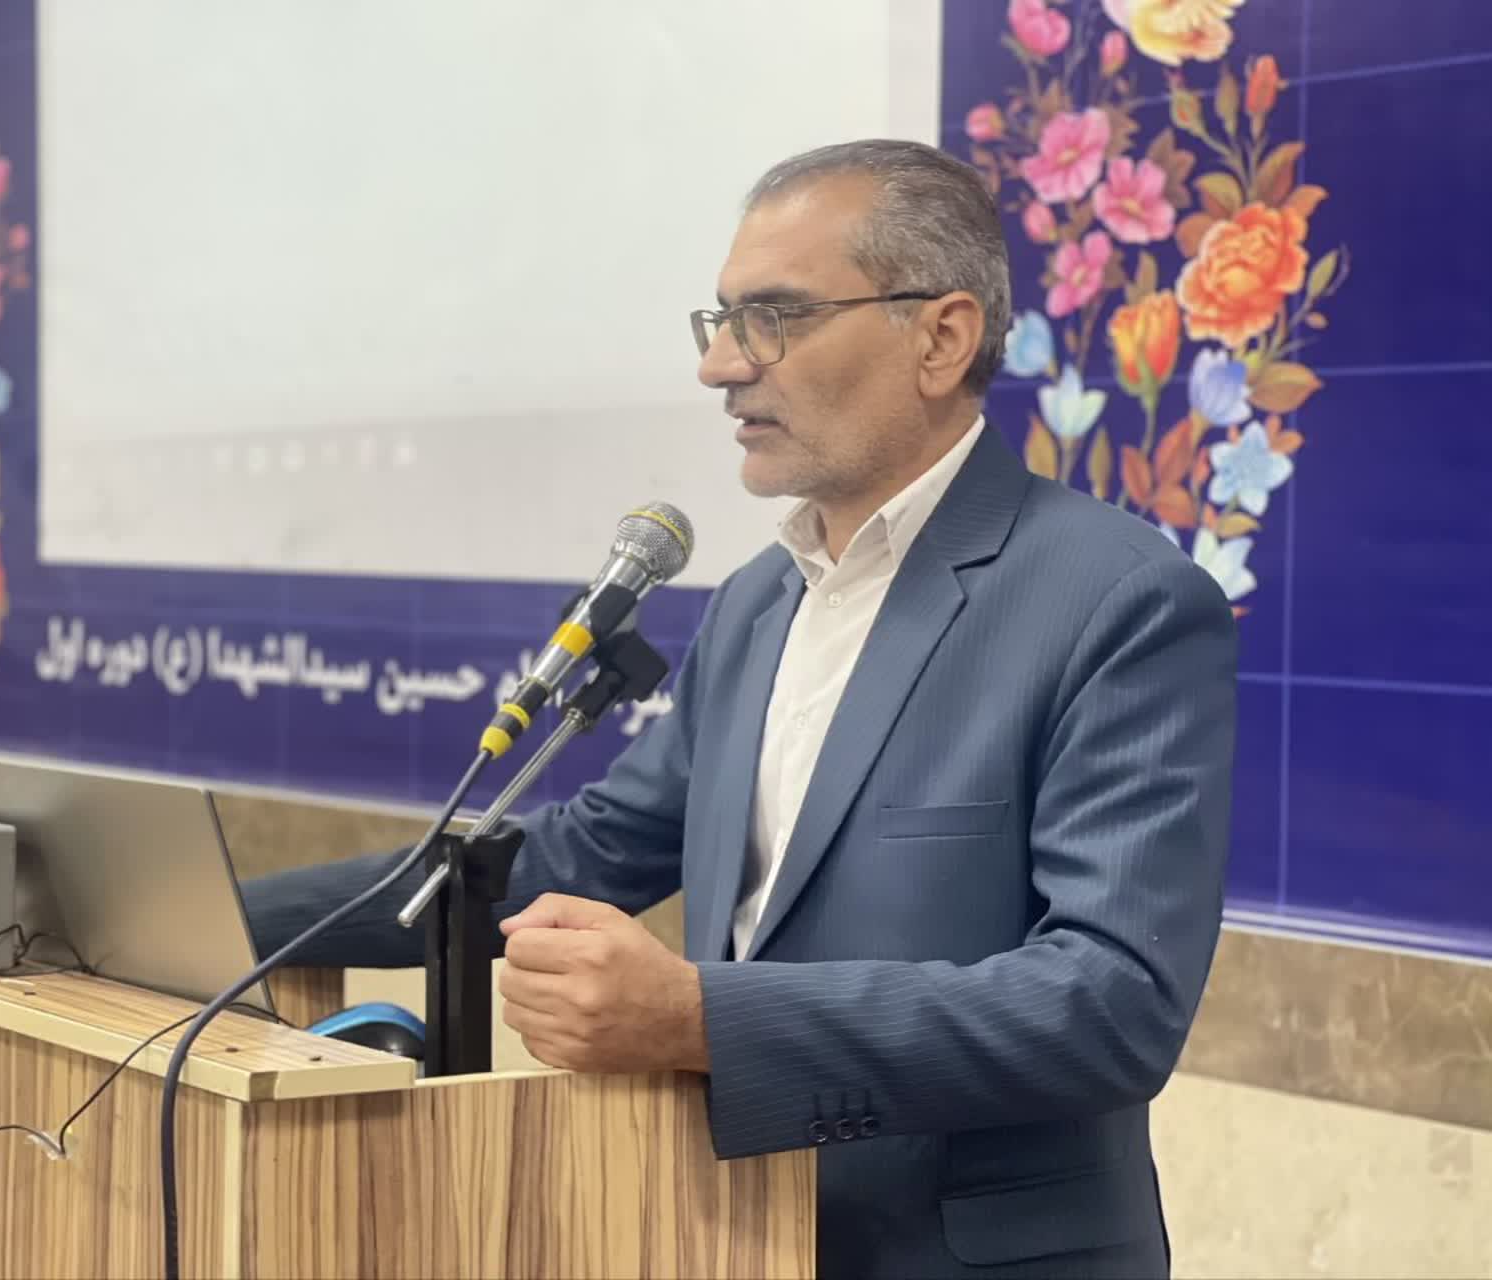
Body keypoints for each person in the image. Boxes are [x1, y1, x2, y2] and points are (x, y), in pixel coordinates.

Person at [242, 138, 1236, 1279]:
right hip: (729, 1236)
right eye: (720, 319)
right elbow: (586, 852)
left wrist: (698, 1017)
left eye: (773, 317)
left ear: (941, 337)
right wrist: (215, 922)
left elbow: (1112, 1005)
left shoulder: (1117, 600)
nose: (720, 365)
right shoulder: (760, 599)